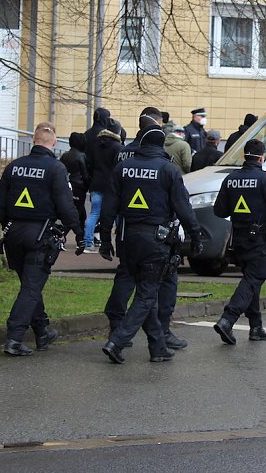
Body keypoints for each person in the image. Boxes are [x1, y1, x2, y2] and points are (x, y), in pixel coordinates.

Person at [99, 126, 202, 364]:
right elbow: (183, 207)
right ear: (161, 145)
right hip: (155, 241)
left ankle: (157, 347)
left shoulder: (123, 168)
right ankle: (118, 341)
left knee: (146, 292)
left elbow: (109, 206)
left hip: (127, 238)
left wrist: (105, 238)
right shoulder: (168, 170)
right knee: (146, 294)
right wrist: (196, 235)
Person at [0, 126, 85, 356]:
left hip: (13, 234)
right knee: (32, 287)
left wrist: (8, 225)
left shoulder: (14, 167)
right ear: (53, 143)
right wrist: (77, 231)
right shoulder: (55, 168)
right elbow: (66, 206)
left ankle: (42, 330)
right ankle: (14, 338)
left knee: (29, 285)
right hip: (40, 235)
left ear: (34, 140)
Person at [212, 139, 266, 345]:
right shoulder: (265, 179)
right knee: (252, 281)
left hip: (239, 240)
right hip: (260, 241)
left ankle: (256, 327)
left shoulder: (231, 179)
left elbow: (220, 210)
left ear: (245, 155)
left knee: (252, 281)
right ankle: (227, 319)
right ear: (262, 157)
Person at [83, 119, 123, 252]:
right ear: (117, 131)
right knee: (117, 214)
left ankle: (88, 243)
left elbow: (90, 164)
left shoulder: (96, 145)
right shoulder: (118, 147)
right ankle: (120, 244)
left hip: (96, 183)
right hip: (111, 186)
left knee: (94, 213)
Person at [60, 132, 89, 227]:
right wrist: (89, 185)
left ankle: (80, 236)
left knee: (78, 212)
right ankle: (76, 235)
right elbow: (85, 174)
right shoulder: (82, 156)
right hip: (79, 187)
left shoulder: (65, 155)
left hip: (66, 186)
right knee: (78, 213)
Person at [83, 107, 111, 176]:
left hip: (86, 171)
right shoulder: (107, 135)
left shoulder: (86, 134)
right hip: (102, 173)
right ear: (105, 119)